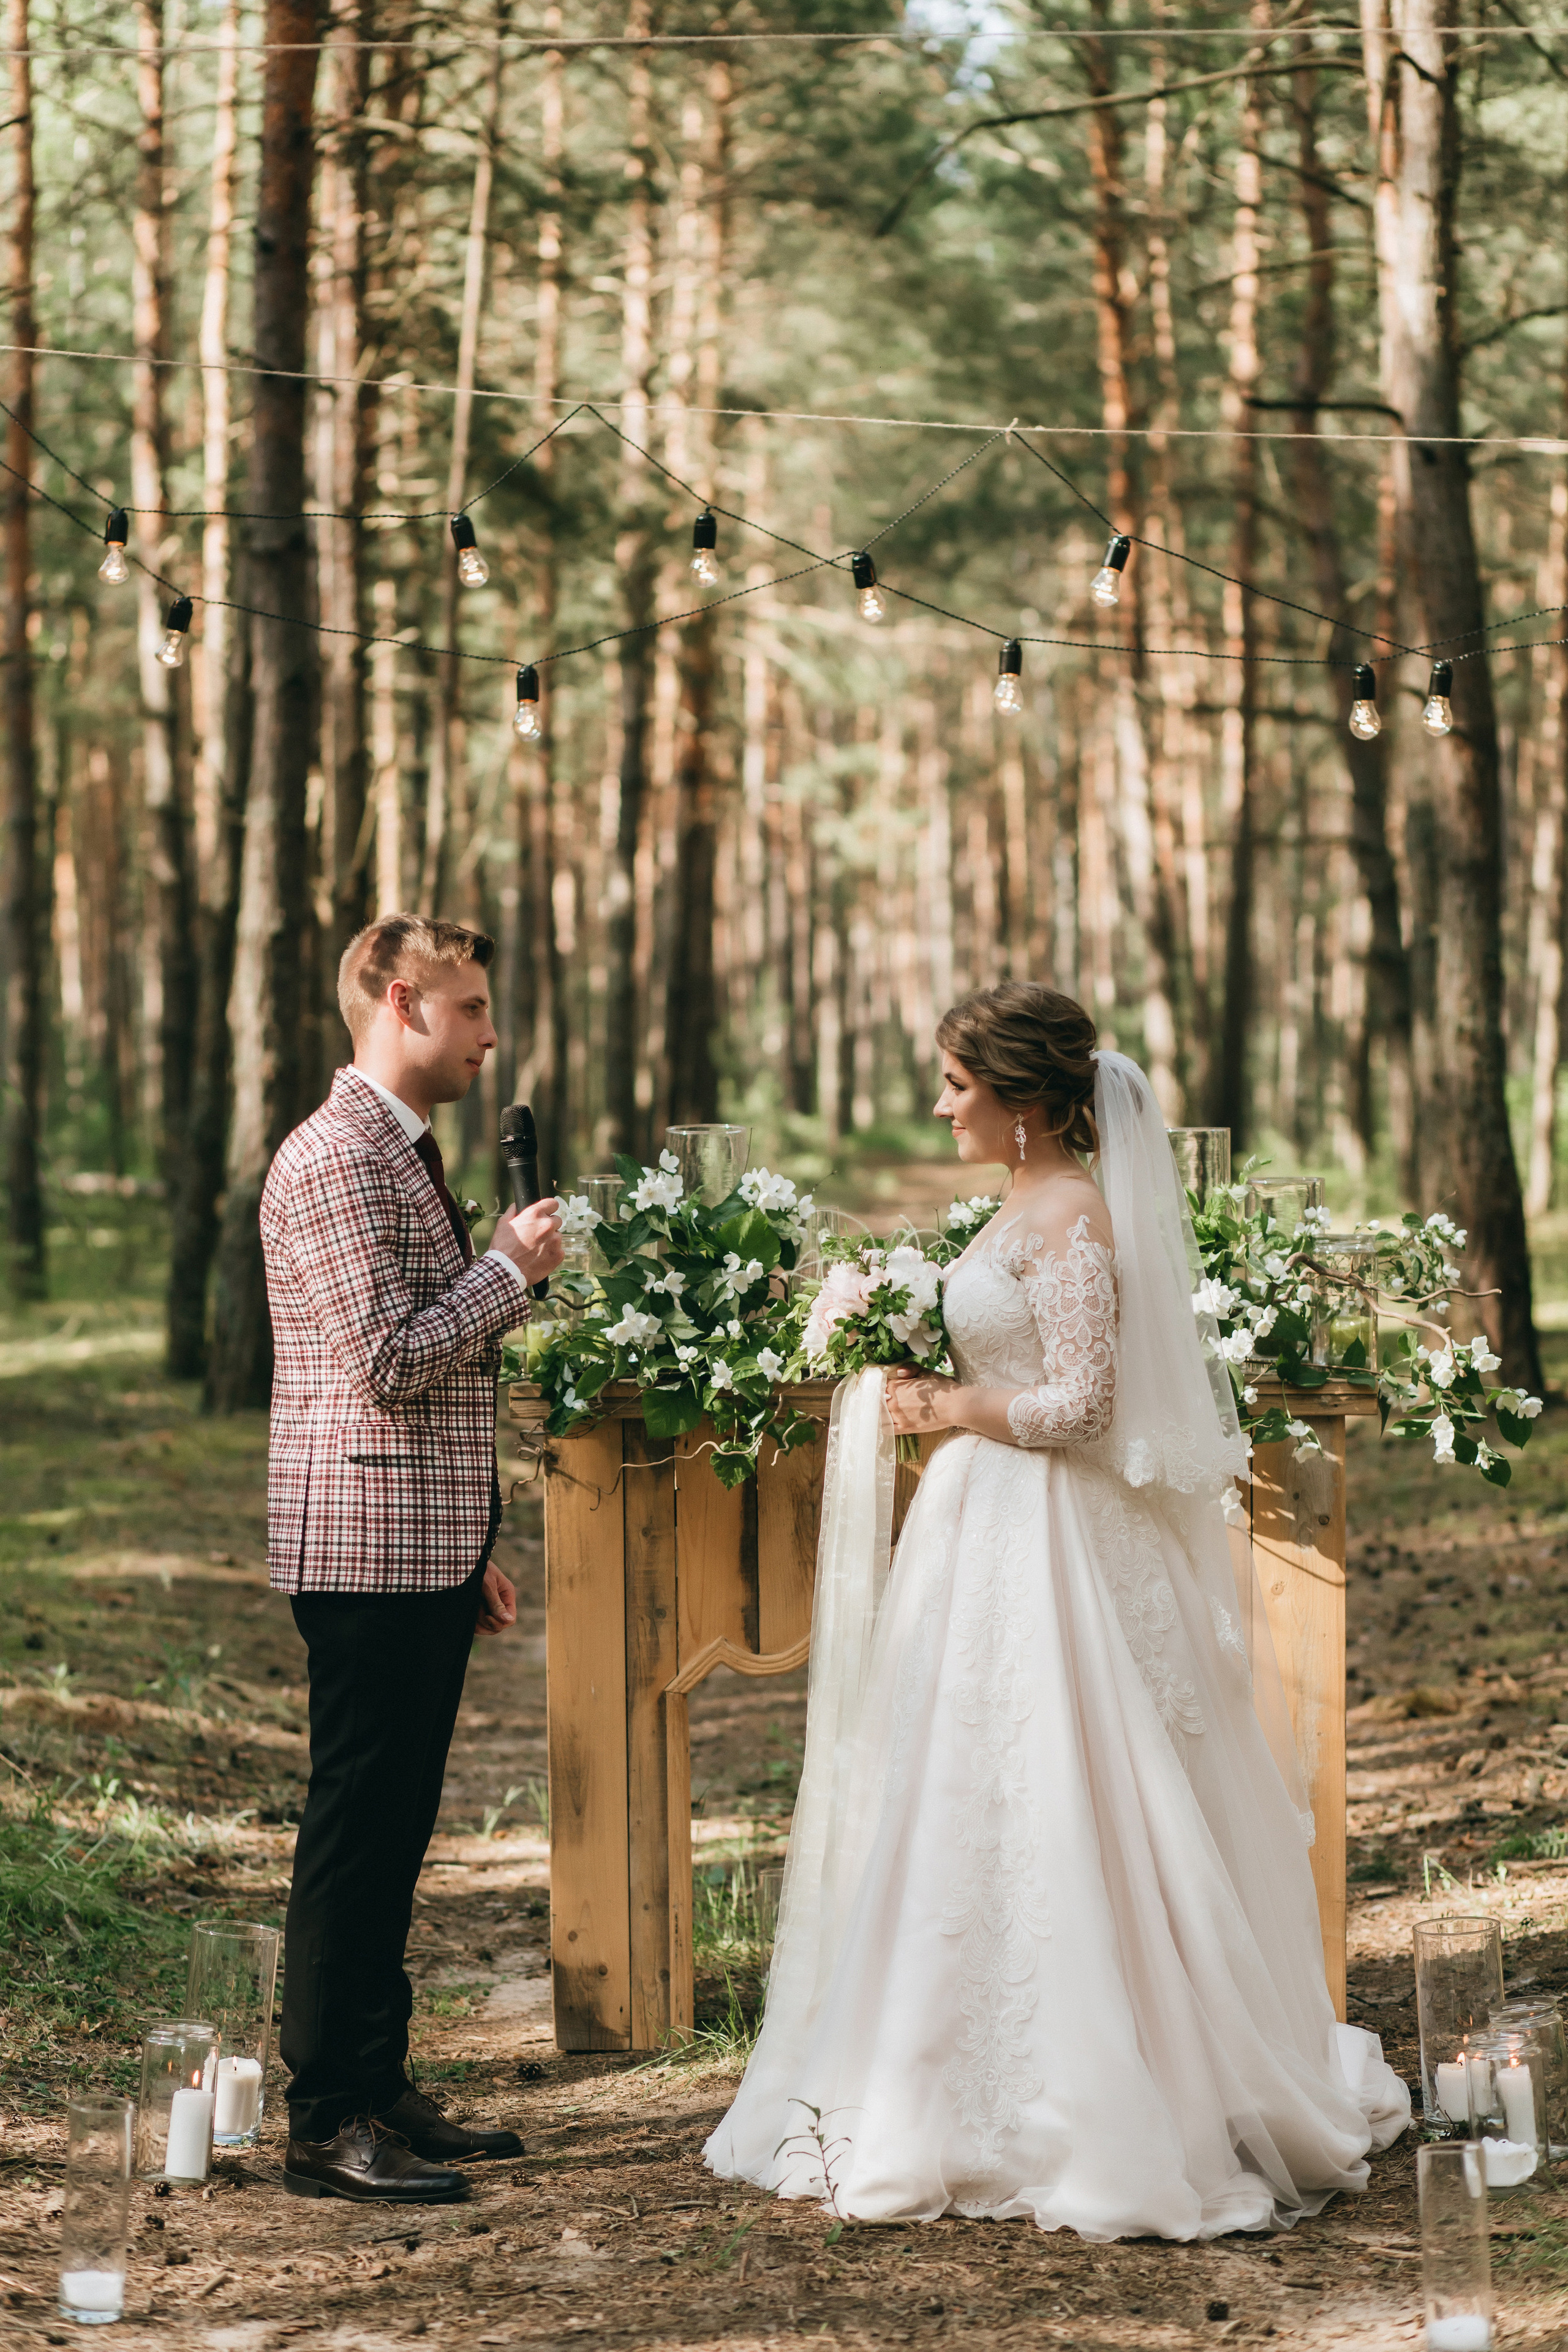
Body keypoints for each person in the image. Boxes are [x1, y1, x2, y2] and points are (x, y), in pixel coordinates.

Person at [707, 980, 1409, 2239]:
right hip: (978, 1529)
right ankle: (940, 2063)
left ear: (1023, 1102)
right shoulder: (1013, 1209)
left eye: (956, 1086)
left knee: (1075, 1782)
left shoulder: (1072, 1215)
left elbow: (1081, 1404)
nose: (937, 1106)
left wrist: (943, 1409)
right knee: (959, 1786)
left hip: (1049, 1534)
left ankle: (1098, 2088)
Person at [262, 914, 564, 2204]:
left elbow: (409, 1367)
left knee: (395, 1836)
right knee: (354, 1831)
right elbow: (385, 1362)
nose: (493, 1035)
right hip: (360, 1551)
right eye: (474, 1007)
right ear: (403, 1001)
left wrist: (465, 1549)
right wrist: (507, 1271)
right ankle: (326, 2116)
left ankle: (379, 2086)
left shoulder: (400, 1150)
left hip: (415, 1550)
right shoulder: (335, 1158)